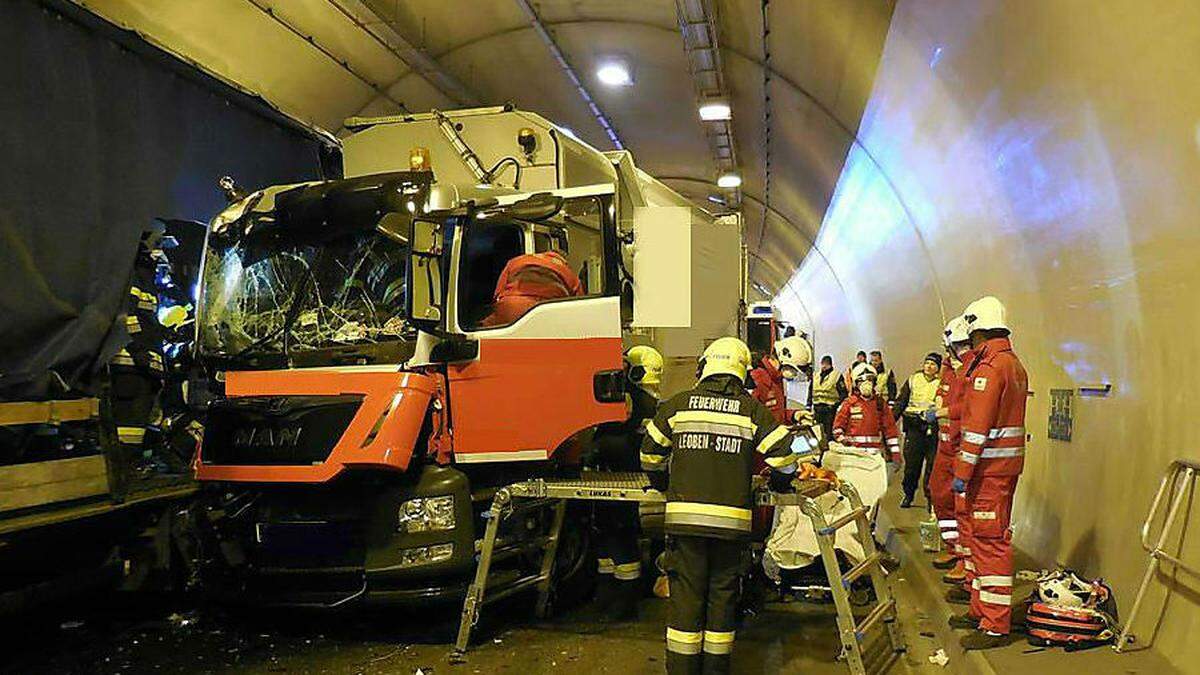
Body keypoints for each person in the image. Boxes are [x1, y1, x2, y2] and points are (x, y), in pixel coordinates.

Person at [640, 337, 799, 675]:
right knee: (722, 603)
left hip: (685, 528)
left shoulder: (678, 405)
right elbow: (786, 459)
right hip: (732, 531)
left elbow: (649, 455)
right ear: (742, 372)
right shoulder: (752, 410)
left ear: (704, 367)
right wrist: (780, 482)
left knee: (686, 603)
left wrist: (663, 484)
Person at [948, 296, 1029, 650]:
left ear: (977, 329)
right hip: (1000, 469)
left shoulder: (989, 370)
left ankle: (995, 625)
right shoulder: (1012, 364)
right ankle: (982, 610)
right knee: (982, 540)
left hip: (988, 471)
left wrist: (962, 471)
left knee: (991, 543)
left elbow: (977, 430)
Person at [591, 345, 663, 622]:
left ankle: (621, 599)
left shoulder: (628, 401)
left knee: (617, 537)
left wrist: (595, 451)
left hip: (618, 477)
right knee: (614, 536)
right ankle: (614, 594)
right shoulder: (652, 402)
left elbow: (611, 439)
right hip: (629, 478)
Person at [108, 227, 170, 500]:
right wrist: (142, 353)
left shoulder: (144, 281)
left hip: (137, 364)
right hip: (131, 365)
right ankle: (127, 467)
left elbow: (146, 323)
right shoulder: (135, 280)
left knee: (138, 419)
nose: (160, 260)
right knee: (130, 423)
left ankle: (130, 465)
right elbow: (127, 318)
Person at [930, 317, 974, 588]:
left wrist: (945, 411)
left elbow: (972, 407)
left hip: (960, 447)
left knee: (962, 506)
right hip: (945, 446)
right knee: (938, 493)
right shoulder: (949, 370)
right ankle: (951, 544)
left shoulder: (973, 372)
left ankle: (963, 557)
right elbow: (941, 393)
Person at [479, 251, 582, 327]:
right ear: (562, 259)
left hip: (512, 306)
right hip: (547, 311)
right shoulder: (567, 270)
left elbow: (498, 292)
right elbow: (578, 305)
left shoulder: (516, 261)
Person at [892, 352, 943, 508]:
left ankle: (930, 499)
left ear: (938, 368)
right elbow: (901, 402)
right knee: (912, 467)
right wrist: (889, 422)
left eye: (933, 364)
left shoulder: (942, 383)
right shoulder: (913, 380)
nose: (929, 366)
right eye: (927, 362)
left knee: (932, 467)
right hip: (914, 429)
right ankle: (908, 494)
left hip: (932, 430)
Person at [832, 363, 901, 464]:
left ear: (874, 382)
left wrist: (896, 455)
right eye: (861, 381)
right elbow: (837, 428)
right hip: (854, 454)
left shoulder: (880, 404)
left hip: (875, 456)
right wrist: (844, 442)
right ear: (856, 384)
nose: (866, 383)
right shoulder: (849, 403)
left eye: (870, 380)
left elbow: (890, 429)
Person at [810, 355, 846, 441]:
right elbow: (810, 390)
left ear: (830, 365)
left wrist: (836, 406)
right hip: (817, 408)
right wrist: (808, 405)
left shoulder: (836, 376)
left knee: (829, 433)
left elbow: (843, 394)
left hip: (829, 409)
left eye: (826, 364)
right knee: (817, 432)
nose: (823, 366)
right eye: (822, 364)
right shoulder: (816, 375)